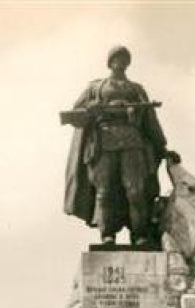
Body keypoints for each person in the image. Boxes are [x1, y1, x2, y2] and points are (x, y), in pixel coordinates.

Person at [62, 46, 177, 247]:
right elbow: (76, 114)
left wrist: (162, 146)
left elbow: (150, 121)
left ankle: (139, 234)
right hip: (103, 143)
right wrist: (91, 110)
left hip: (132, 142)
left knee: (135, 190)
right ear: (110, 62)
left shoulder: (136, 89)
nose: (121, 62)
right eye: (117, 58)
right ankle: (107, 235)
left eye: (125, 58)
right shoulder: (96, 88)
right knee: (105, 191)